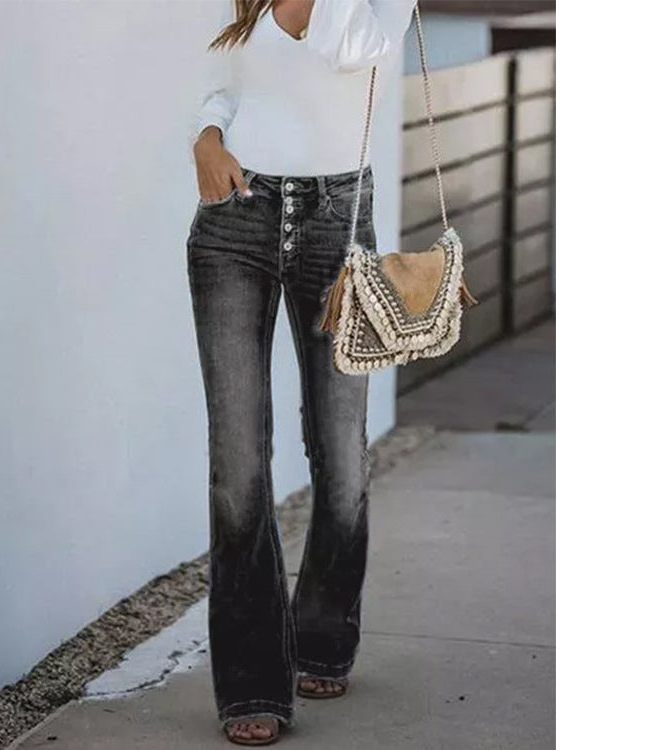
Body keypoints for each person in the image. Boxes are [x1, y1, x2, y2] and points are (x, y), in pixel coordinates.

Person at [186, 0, 416, 744]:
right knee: (237, 465)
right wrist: (207, 136)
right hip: (235, 220)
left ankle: (322, 636)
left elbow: (352, 50)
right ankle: (252, 681)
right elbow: (224, 86)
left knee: (341, 455)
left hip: (336, 225)